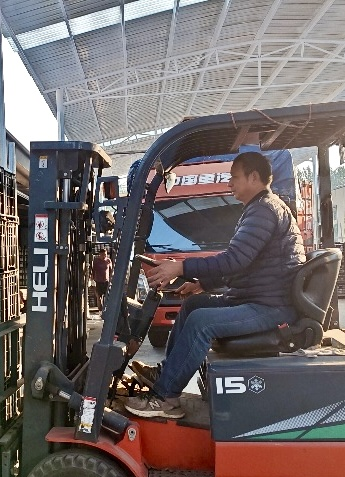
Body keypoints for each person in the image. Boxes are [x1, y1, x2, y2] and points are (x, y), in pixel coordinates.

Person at [124, 152, 306, 419]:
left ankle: (166, 399)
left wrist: (181, 267)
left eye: (234, 177)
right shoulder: (259, 208)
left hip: (271, 306)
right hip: (256, 297)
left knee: (202, 322)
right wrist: (202, 284)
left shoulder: (264, 211)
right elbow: (245, 264)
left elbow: (234, 260)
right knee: (193, 306)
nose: (229, 183)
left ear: (253, 177)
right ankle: (166, 373)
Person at [91, 248, 113, 313]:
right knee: (99, 296)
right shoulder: (96, 261)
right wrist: (92, 279)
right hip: (98, 280)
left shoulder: (108, 260)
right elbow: (93, 270)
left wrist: (111, 279)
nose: (104, 256)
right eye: (103, 255)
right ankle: (100, 310)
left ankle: (106, 309)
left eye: (105, 255)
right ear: (99, 254)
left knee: (107, 295)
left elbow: (111, 270)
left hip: (106, 281)